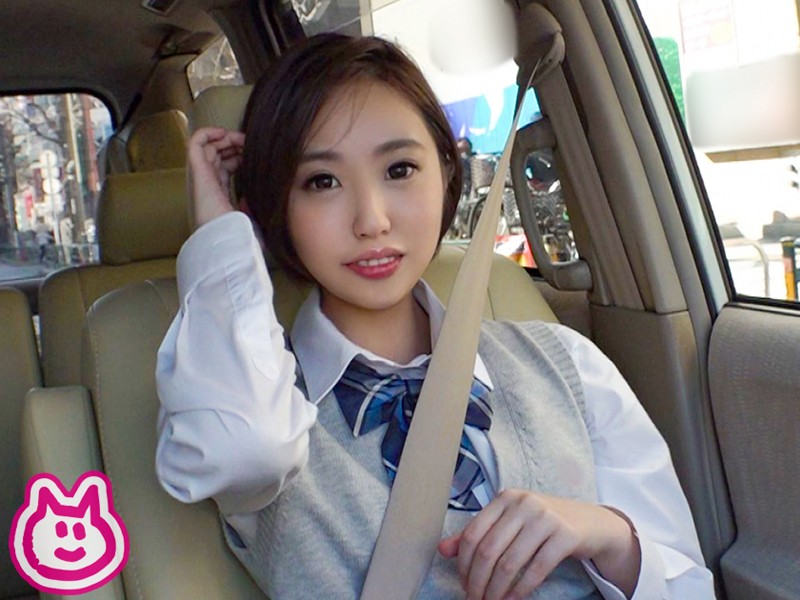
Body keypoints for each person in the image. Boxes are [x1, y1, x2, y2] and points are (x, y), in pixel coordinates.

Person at [155, 33, 715, 599]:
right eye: (322, 182)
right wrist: (222, 235)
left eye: (399, 169)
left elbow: (690, 587)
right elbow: (243, 445)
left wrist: (608, 537)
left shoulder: (565, 361)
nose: (371, 220)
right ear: (273, 205)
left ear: (447, 171)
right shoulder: (250, 400)